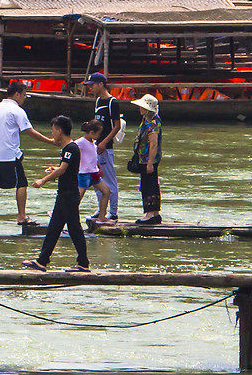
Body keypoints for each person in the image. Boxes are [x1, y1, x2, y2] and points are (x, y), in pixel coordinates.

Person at [22, 117, 91, 272]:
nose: (52, 133)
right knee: (54, 228)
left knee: (74, 229)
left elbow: (63, 169)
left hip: (68, 194)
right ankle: (42, 261)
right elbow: (64, 169)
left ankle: (83, 263)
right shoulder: (69, 149)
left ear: (60, 130)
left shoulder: (70, 148)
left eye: (53, 130)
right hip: (64, 193)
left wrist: (43, 180)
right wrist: (55, 173)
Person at [0, 80, 43, 226]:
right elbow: (29, 131)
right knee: (21, 184)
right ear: (17, 94)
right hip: (10, 155)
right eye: (24, 95)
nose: (24, 98)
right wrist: (49, 141)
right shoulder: (17, 110)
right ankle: (21, 216)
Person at [84, 73, 121, 223]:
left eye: (92, 85)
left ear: (100, 84)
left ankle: (113, 212)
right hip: (95, 146)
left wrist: (105, 142)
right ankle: (101, 209)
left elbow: (116, 126)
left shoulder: (112, 102)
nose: (91, 88)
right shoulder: (98, 101)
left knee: (109, 179)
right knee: (96, 178)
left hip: (106, 147)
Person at [130, 95, 163, 225]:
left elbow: (153, 144)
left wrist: (150, 163)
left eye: (142, 107)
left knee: (148, 185)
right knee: (152, 184)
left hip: (149, 159)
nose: (140, 108)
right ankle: (154, 213)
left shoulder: (153, 123)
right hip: (145, 158)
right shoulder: (147, 120)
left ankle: (150, 214)